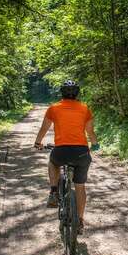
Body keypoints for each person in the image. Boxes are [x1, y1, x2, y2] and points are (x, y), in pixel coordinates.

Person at [34, 80, 99, 235]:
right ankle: (80, 221)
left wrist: (38, 142)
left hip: (61, 150)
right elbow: (90, 132)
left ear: (61, 93)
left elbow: (44, 127)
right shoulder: (85, 109)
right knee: (80, 187)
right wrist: (95, 145)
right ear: (77, 93)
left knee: (53, 162)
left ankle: (54, 191)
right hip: (82, 152)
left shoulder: (54, 108)